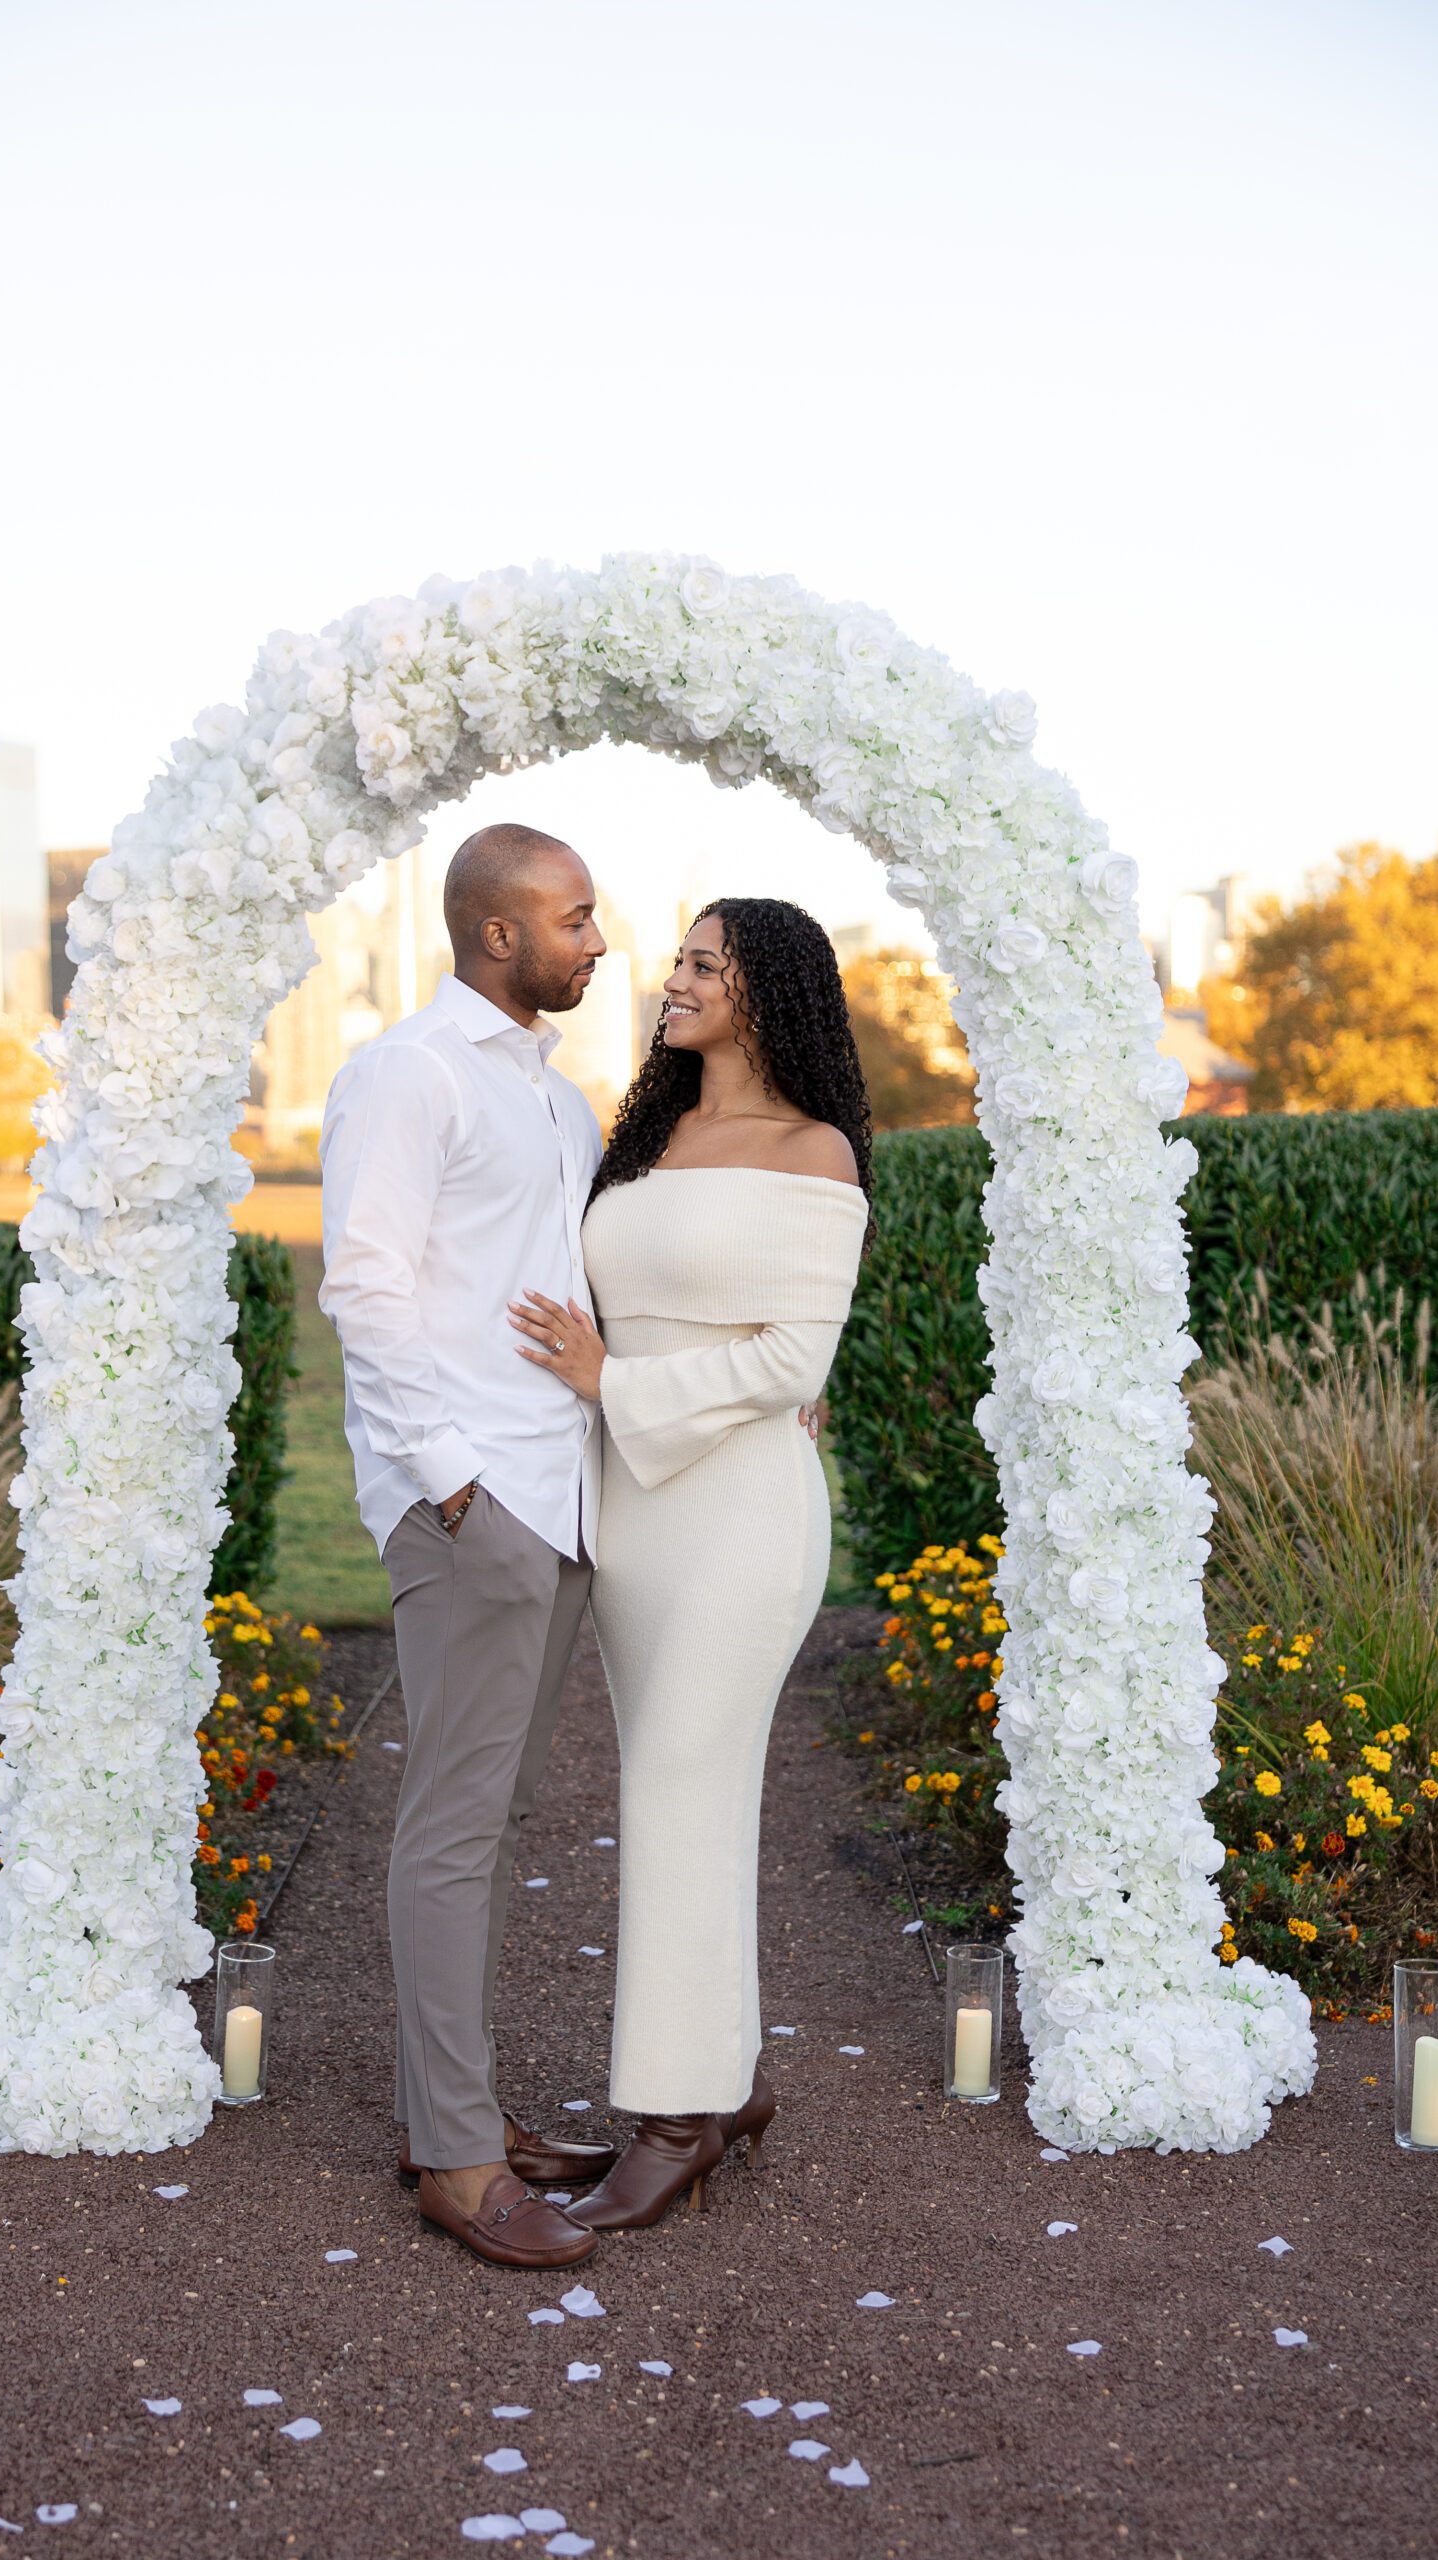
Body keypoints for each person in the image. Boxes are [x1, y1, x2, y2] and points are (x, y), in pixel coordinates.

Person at [508, 897, 871, 2228]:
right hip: (635, 1513)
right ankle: (723, 2081)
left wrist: (618, 1378)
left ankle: (673, 2120)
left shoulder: (815, 1150)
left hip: (741, 1517)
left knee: (672, 1787)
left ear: (768, 989)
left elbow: (796, 1363)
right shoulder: (649, 1135)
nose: (673, 981)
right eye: (678, 962)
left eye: (704, 965)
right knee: (688, 1792)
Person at [317, 821, 618, 2270]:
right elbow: (366, 1289)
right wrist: (449, 1488)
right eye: (574, 917)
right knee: (452, 1826)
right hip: (475, 1505)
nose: (598, 940)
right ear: (498, 933)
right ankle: (453, 2156)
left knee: (493, 1822)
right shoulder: (407, 1073)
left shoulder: (562, 1105)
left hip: (555, 1499)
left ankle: (464, 2113)